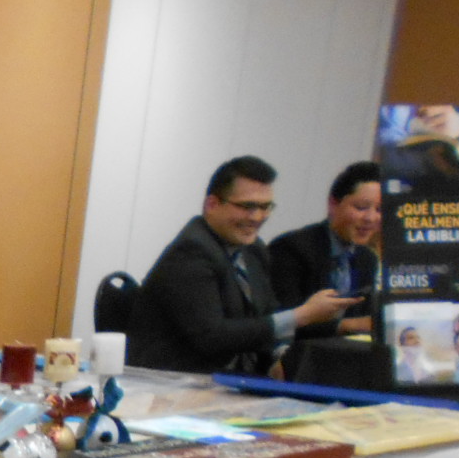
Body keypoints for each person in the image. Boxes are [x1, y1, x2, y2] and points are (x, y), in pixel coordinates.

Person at [133, 157, 357, 374]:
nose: (257, 217)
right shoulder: (190, 252)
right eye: (247, 206)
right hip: (177, 381)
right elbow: (212, 337)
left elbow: (266, 315)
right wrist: (301, 315)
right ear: (212, 205)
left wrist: (278, 357)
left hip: (235, 380)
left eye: (265, 207)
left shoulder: (253, 250)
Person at [268, 160, 381, 318]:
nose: (371, 218)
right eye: (361, 207)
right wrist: (350, 325)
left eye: (379, 210)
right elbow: (284, 320)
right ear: (333, 204)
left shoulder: (367, 259)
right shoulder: (290, 249)